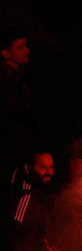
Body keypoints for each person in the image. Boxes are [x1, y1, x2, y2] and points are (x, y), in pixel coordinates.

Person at [0, 28, 36, 174]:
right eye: (21, 48)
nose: (27, 51)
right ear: (6, 53)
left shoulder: (22, 76)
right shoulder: (4, 81)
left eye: (26, 46)